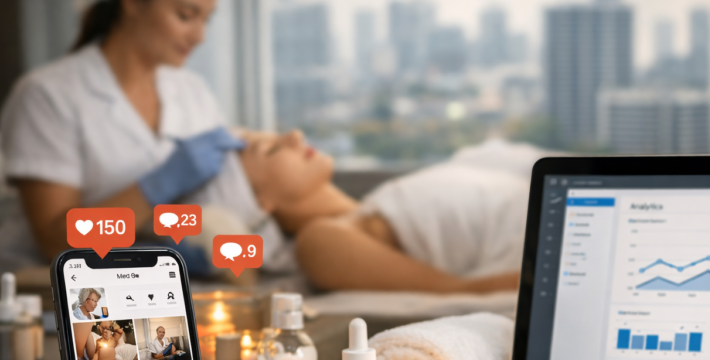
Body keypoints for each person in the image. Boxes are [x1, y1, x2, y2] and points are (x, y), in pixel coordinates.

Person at [0, 0, 280, 275]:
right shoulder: (47, 95)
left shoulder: (193, 92)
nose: (199, 36)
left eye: (206, 20)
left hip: (160, 285)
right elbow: (55, 242)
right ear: (132, 4)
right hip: (51, 297)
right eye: (185, 16)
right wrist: (156, 188)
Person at [242, 131, 525, 292]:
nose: (294, 137)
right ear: (260, 203)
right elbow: (464, 291)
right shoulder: (320, 239)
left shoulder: (375, 204)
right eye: (270, 149)